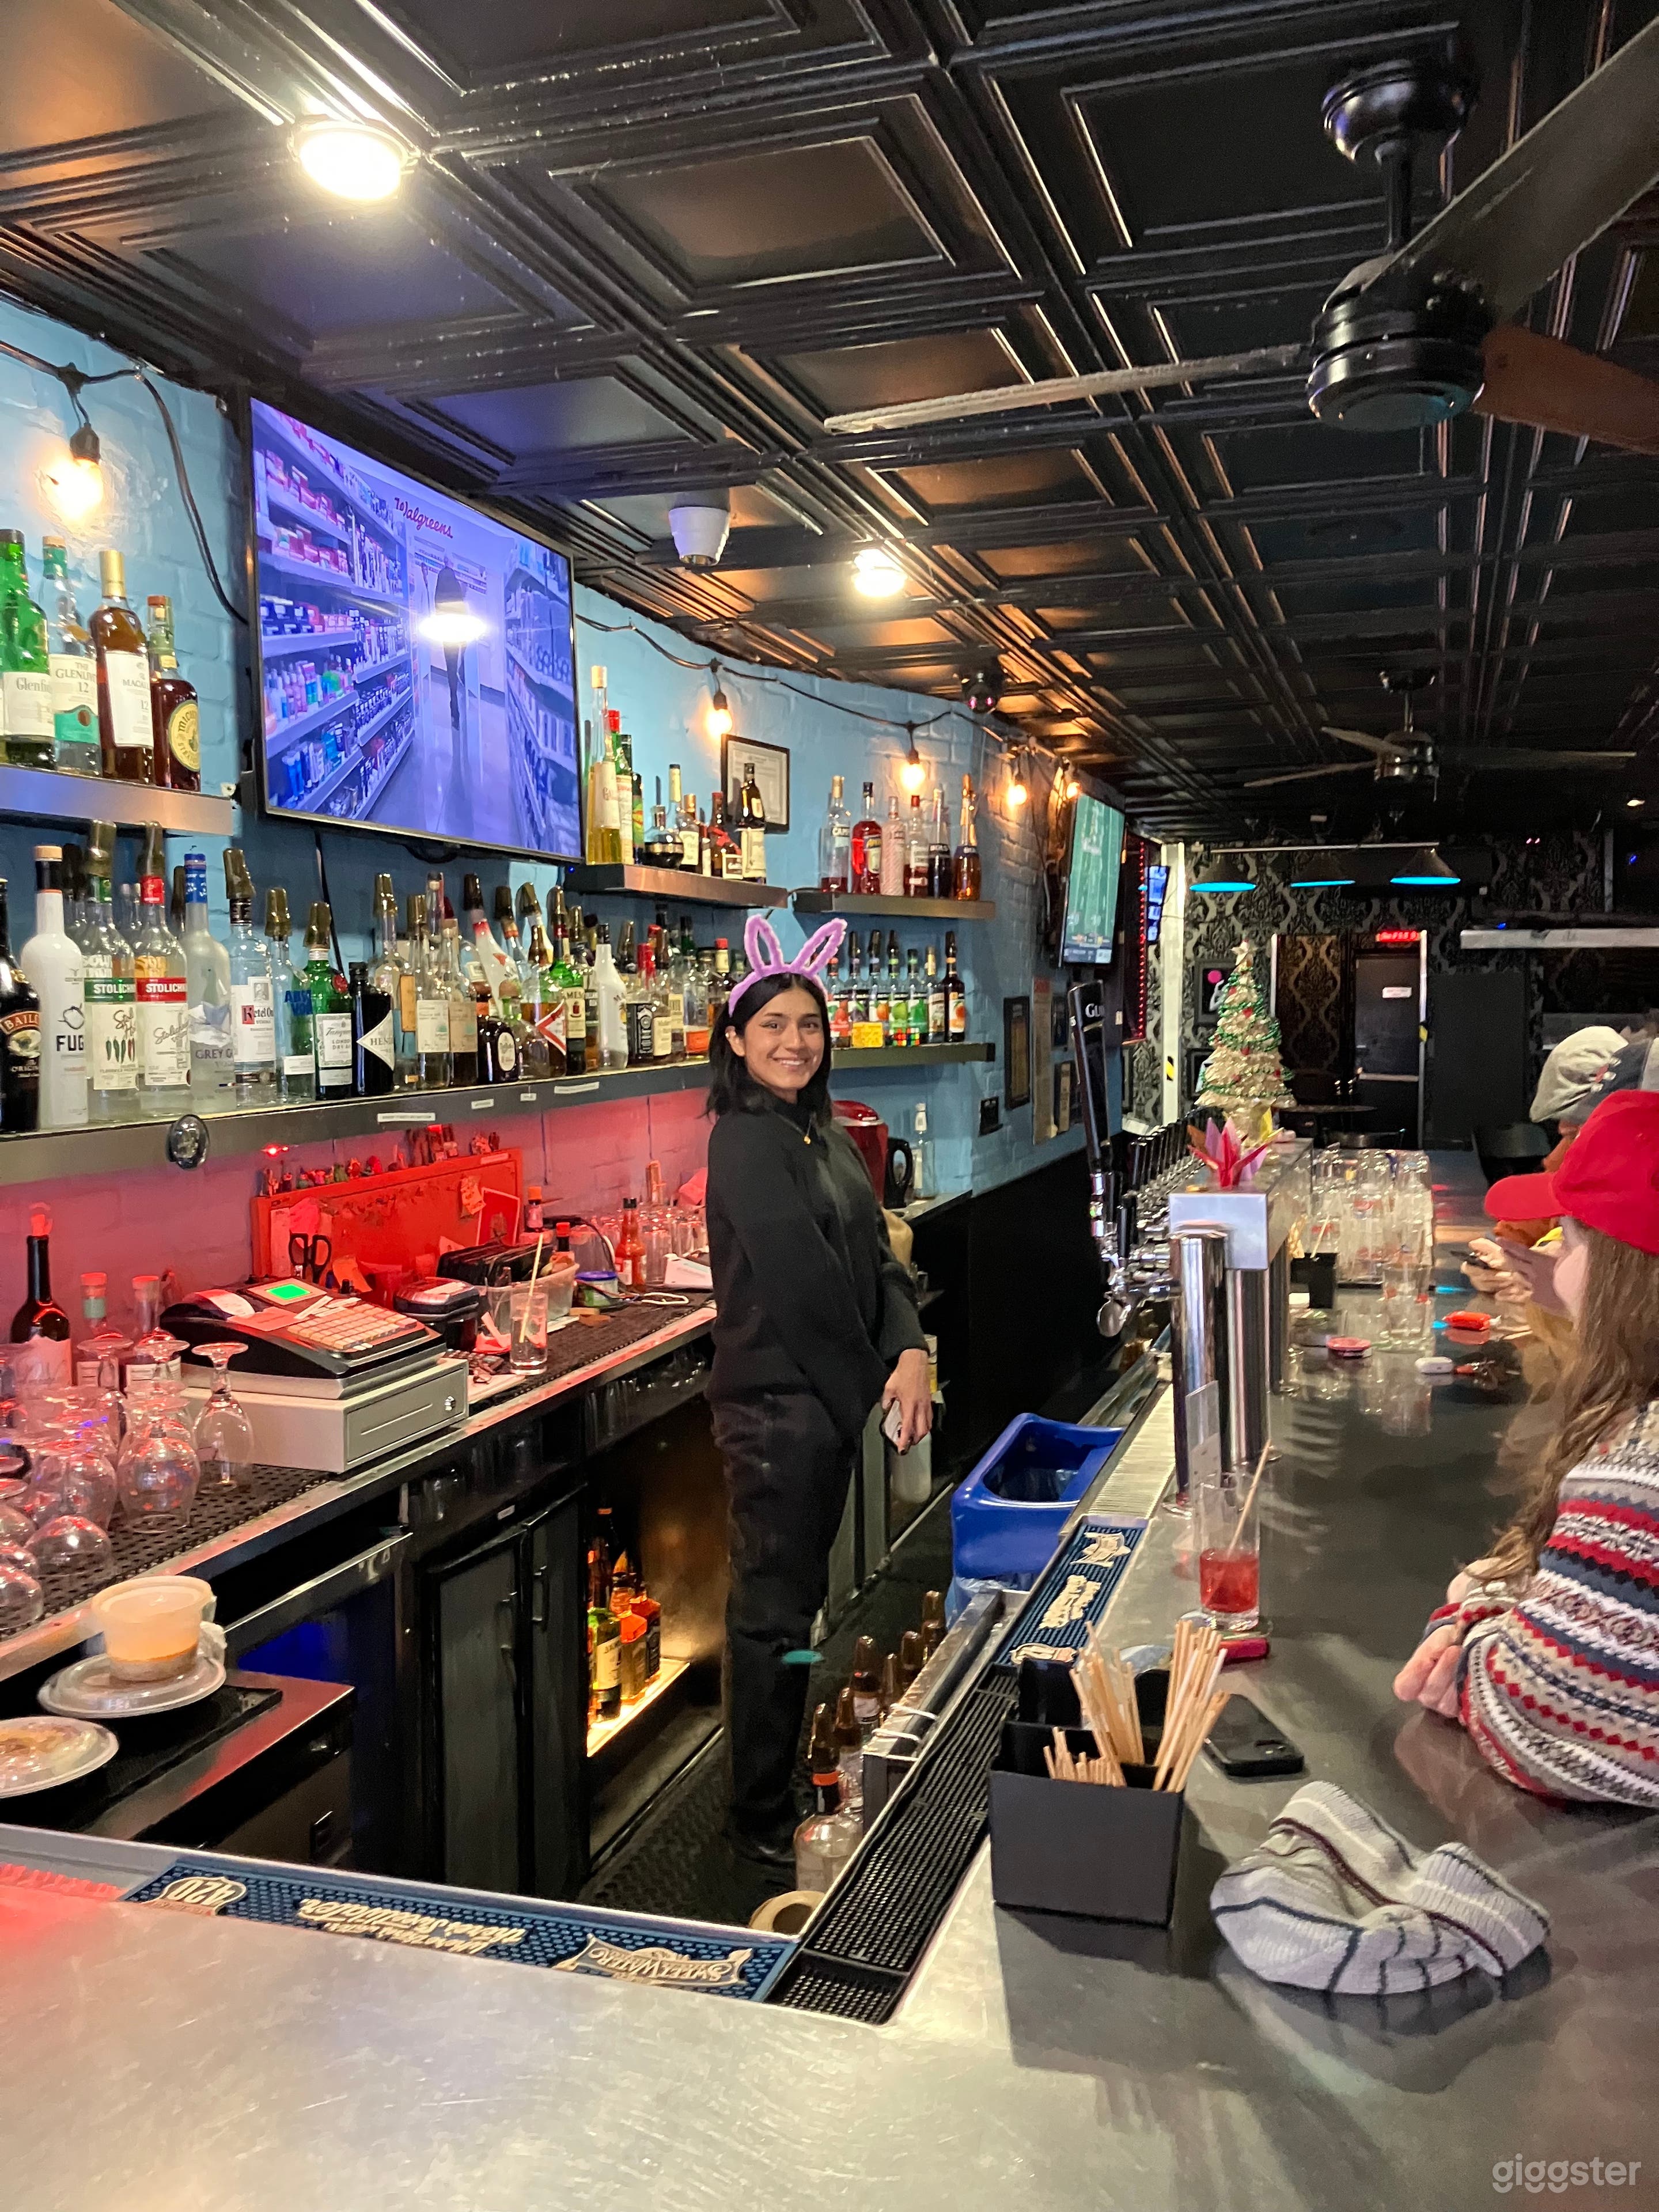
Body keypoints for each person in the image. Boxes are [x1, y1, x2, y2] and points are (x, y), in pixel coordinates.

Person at [704, 913, 930, 1865]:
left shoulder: (822, 1133)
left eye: (808, 1025)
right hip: (773, 1416)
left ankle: (783, 1781)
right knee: (772, 1617)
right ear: (735, 1041)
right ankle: (756, 1816)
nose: (794, 1042)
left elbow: (878, 1255)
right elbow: (801, 1292)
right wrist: (874, 1400)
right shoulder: (744, 1141)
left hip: (822, 1407)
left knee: (795, 1608)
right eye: (772, 1027)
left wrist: (910, 1351)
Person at [1393, 1089, 1659, 1805]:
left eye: (1568, 1240)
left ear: (1623, 1270)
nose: (1553, 1260)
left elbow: (1538, 1715)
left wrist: (1468, 1638)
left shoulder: (1641, 1472)